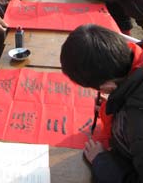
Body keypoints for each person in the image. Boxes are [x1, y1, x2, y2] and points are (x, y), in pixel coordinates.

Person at [61, 24, 143, 182]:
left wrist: (102, 161)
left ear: (107, 86)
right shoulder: (134, 55)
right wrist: (115, 103)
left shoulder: (137, 123)